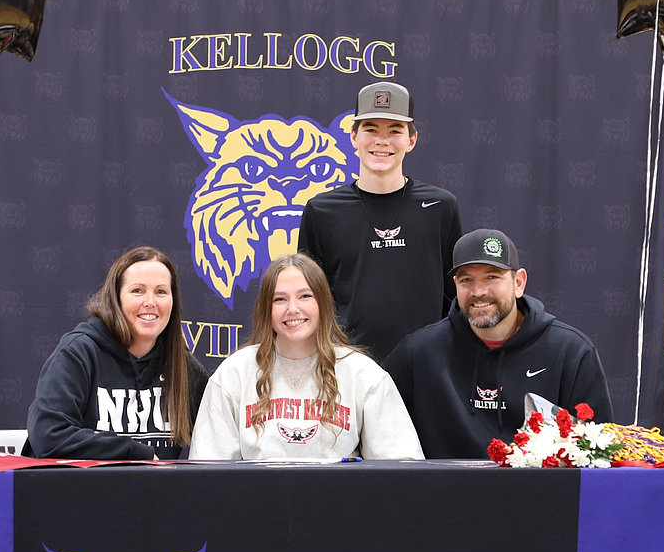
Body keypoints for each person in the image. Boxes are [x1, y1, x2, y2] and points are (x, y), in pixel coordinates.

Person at [384, 228, 613, 459]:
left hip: (538, 494)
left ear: (519, 282)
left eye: (492, 277)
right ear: (455, 285)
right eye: (466, 280)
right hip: (443, 493)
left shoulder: (570, 352)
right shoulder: (418, 352)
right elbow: (379, 430)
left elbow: (597, 450)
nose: (479, 291)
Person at [189, 253, 423, 461]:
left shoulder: (362, 373)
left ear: (322, 303)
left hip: (340, 507)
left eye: (304, 296)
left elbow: (401, 465)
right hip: (255, 507)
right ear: (265, 309)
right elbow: (208, 470)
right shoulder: (234, 373)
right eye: (279, 299)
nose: (292, 309)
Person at [298, 81, 462, 362]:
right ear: (353, 138)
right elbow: (309, 299)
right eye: (371, 130)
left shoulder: (440, 207)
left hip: (424, 368)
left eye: (395, 131)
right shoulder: (322, 211)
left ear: (411, 140)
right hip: (347, 368)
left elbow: (455, 295)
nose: (381, 141)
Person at [25, 246, 208, 460]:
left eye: (161, 292)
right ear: (116, 299)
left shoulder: (183, 368)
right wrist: (135, 453)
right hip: (78, 490)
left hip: (153, 492)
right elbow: (49, 436)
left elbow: (219, 443)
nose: (150, 302)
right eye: (137, 291)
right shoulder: (79, 353)